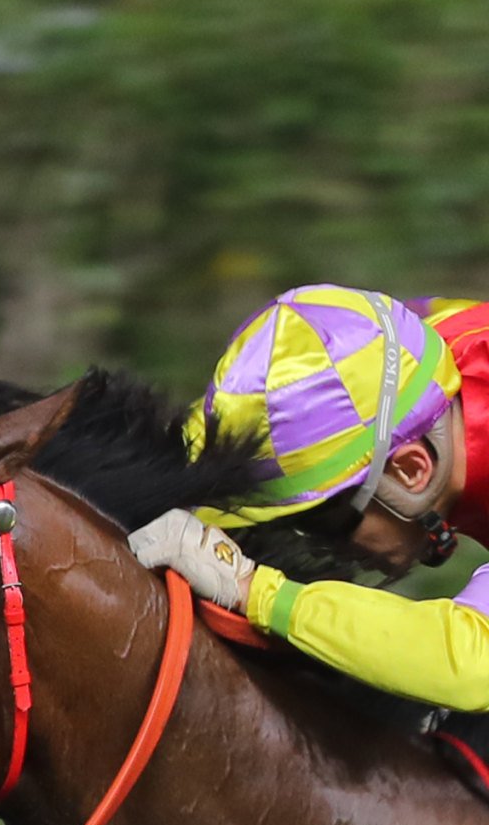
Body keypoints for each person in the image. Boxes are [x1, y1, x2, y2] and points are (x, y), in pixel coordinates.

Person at [129, 282, 489, 709]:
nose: (320, 544)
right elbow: (214, 446)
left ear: (410, 470)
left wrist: (252, 589)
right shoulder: (414, 359)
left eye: (325, 518)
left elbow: (474, 669)